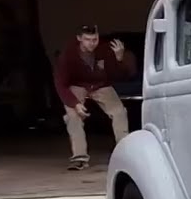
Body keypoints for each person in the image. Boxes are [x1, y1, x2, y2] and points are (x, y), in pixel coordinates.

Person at [54, 25, 134, 170]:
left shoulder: (105, 49)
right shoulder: (68, 54)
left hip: (100, 85)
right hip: (77, 85)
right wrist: (74, 103)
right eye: (87, 39)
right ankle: (79, 158)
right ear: (79, 39)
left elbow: (119, 77)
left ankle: (125, 153)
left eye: (94, 39)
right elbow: (60, 84)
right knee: (73, 115)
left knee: (119, 112)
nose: (92, 43)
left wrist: (119, 59)